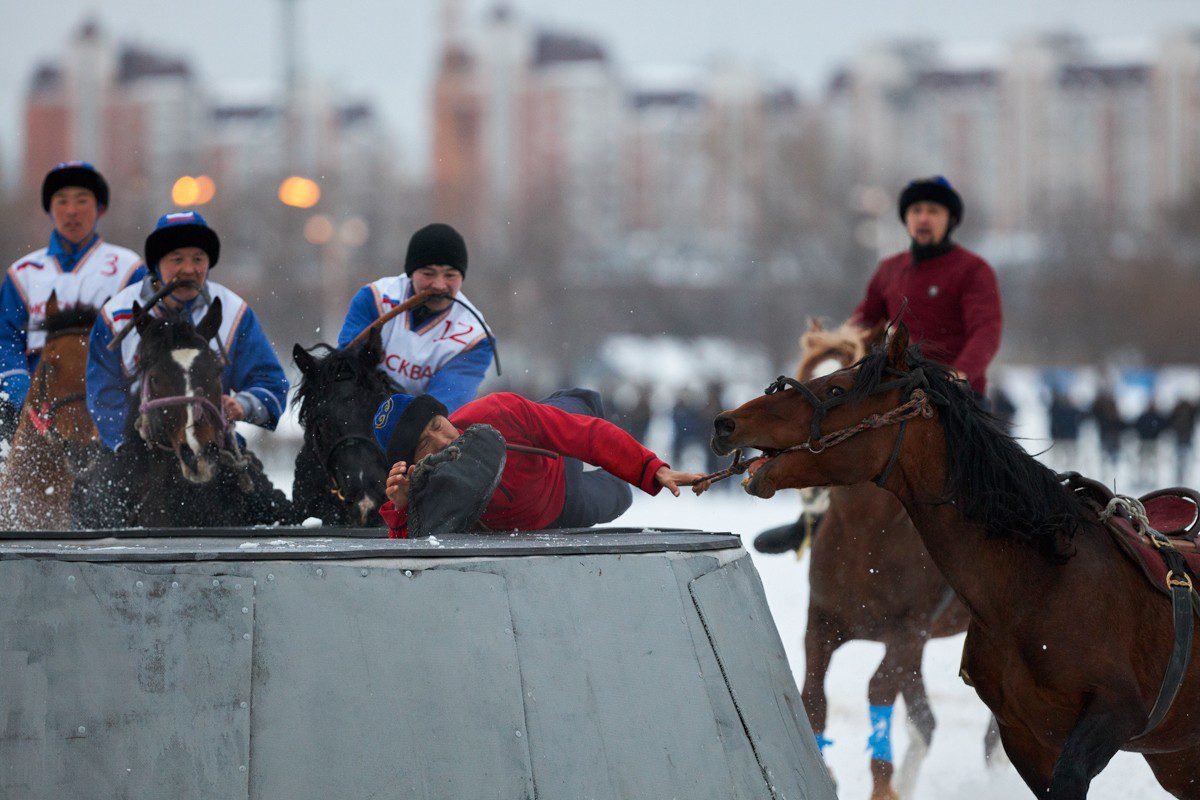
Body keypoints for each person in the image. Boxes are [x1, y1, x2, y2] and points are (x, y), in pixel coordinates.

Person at [755, 176, 1003, 554]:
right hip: (895, 396)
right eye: (916, 210)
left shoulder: (973, 270)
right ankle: (814, 521)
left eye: (933, 210)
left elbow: (987, 330)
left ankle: (995, 542)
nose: (923, 217)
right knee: (835, 435)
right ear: (906, 219)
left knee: (988, 480)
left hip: (957, 399)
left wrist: (962, 371)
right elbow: (864, 321)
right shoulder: (890, 270)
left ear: (950, 219)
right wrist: (836, 342)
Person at [371, 388, 703, 537]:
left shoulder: (496, 411)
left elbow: (584, 436)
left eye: (437, 426)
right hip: (562, 506)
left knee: (581, 405)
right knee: (620, 497)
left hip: (549, 452)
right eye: (425, 446)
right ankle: (616, 480)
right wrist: (402, 507)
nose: (444, 441)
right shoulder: (422, 487)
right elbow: (412, 554)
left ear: (443, 414)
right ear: (411, 462)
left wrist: (651, 468)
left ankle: (580, 401)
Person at [85, 211, 288, 451]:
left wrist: (243, 404)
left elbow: (271, 382)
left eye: (198, 259)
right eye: (177, 259)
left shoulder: (235, 313)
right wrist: (126, 444)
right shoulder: (116, 316)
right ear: (156, 264)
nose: (189, 269)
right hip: (137, 450)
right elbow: (102, 391)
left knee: (262, 489)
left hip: (214, 446)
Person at [0, 162, 144, 441]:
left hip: (109, 405)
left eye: (82, 200)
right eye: (62, 201)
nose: (72, 210)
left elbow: (141, 338)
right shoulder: (23, 273)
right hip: (35, 406)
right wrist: (20, 390)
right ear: (49, 209)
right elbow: (5, 338)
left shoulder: (129, 269)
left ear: (100, 208)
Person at [338, 223, 493, 413]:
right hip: (362, 414)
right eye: (428, 274)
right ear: (412, 273)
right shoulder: (374, 298)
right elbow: (346, 370)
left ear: (462, 276)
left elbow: (441, 406)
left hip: (418, 433)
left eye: (450, 275)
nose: (439, 285)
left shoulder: (476, 338)